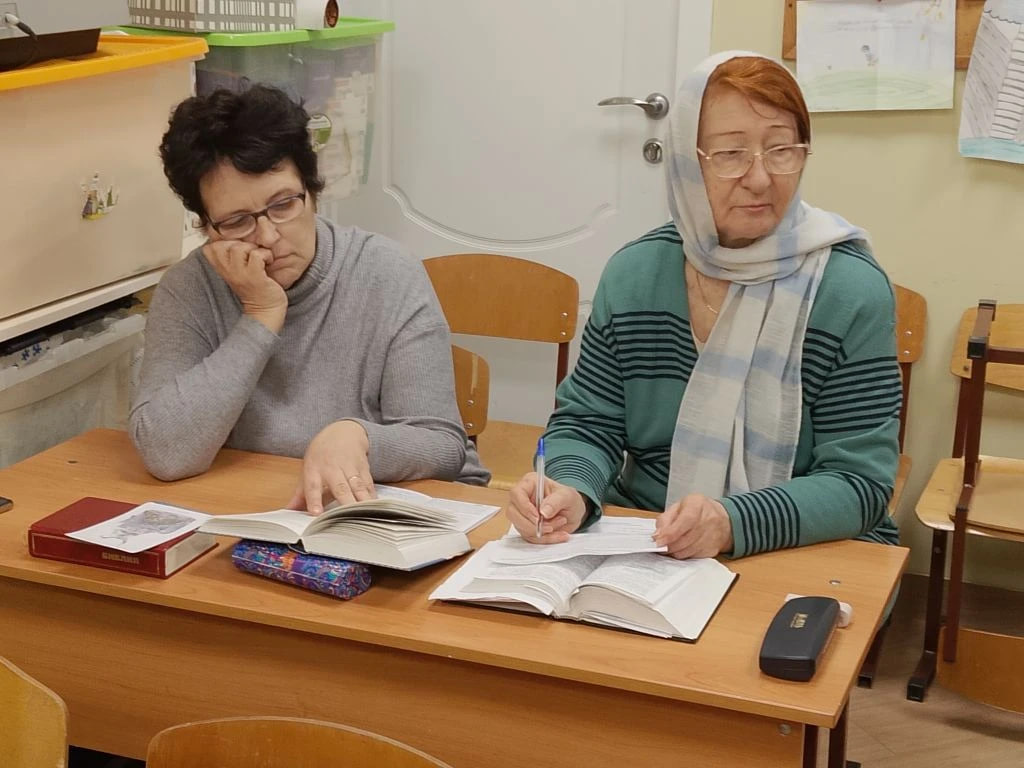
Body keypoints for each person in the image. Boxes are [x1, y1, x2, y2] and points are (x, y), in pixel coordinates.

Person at [503, 51, 900, 560]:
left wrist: (733, 522)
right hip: (648, 537)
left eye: (781, 149)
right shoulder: (635, 276)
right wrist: (570, 491)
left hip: (806, 546)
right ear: (687, 162)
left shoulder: (849, 290)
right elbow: (588, 423)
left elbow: (859, 482)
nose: (760, 178)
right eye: (731, 154)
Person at [130, 85, 489, 514]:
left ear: (312, 190)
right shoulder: (189, 288)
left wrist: (358, 437)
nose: (268, 236)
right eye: (237, 221)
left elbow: (443, 446)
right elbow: (165, 452)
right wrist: (260, 316)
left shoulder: (386, 271)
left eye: (283, 205)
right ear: (206, 226)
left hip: (384, 511)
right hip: (257, 509)